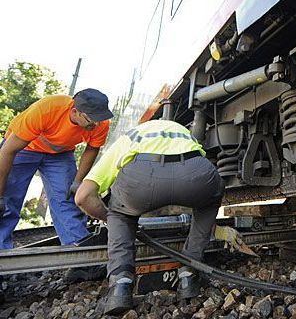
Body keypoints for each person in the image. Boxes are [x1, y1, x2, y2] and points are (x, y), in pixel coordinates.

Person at [74, 119, 224, 315]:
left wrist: (111, 217)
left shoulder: (129, 138)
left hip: (143, 181)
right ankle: (189, 273)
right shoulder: (181, 131)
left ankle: (120, 285)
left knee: (120, 213)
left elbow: (83, 196)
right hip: (195, 174)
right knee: (211, 197)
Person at [0, 89, 113, 249]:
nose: (95, 124)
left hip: (60, 154)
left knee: (66, 199)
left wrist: (77, 181)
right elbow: (7, 151)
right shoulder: (46, 110)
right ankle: (2, 254)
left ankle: (79, 250)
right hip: (25, 148)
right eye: (91, 120)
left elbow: (92, 149)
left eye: (99, 119)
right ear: (75, 112)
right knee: (8, 201)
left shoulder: (100, 123)